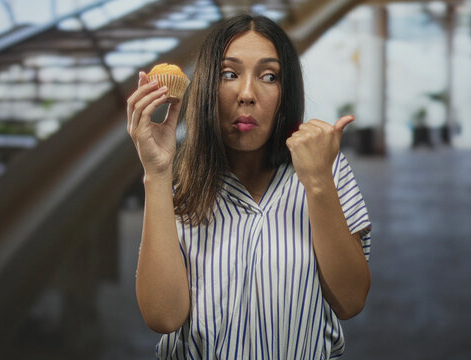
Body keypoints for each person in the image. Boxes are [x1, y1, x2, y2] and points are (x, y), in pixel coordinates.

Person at [126, 14, 372, 359]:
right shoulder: (179, 183)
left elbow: (350, 301)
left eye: (269, 76)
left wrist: (317, 182)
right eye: (229, 74)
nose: (247, 94)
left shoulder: (326, 170)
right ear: (208, 86)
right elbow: (164, 317)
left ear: (286, 92)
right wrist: (156, 172)